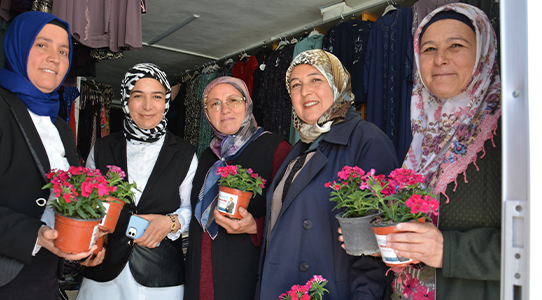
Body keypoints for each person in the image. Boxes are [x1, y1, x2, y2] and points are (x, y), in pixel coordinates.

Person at [0, 11, 93, 299]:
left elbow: (68, 202)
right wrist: (33, 234)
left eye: (63, 51)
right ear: (18, 46)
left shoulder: (60, 128)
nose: (55, 58)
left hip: (45, 277)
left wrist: (88, 242)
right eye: (42, 45)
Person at [256, 49, 398, 300]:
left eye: (315, 79)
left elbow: (374, 247)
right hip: (285, 288)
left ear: (337, 83)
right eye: (295, 85)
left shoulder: (366, 139)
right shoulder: (300, 148)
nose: (305, 91)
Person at [381, 4, 502, 299]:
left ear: (484, 51)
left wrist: (450, 251)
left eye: (456, 45)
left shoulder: (514, 134)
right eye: (429, 49)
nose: (440, 59)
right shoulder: (425, 134)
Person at [77, 63, 198, 300]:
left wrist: (171, 223)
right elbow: (87, 206)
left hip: (160, 278)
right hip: (104, 271)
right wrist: (88, 245)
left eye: (156, 96)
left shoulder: (185, 153)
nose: (147, 106)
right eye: (137, 95)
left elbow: (191, 209)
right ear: (125, 99)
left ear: (166, 101)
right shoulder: (102, 148)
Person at [184, 76, 291, 300]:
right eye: (214, 104)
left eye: (233, 100)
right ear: (206, 112)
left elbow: (294, 217)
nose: (224, 110)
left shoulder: (275, 149)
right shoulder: (206, 156)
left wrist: (256, 227)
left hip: (244, 277)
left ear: (247, 104)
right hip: (200, 278)